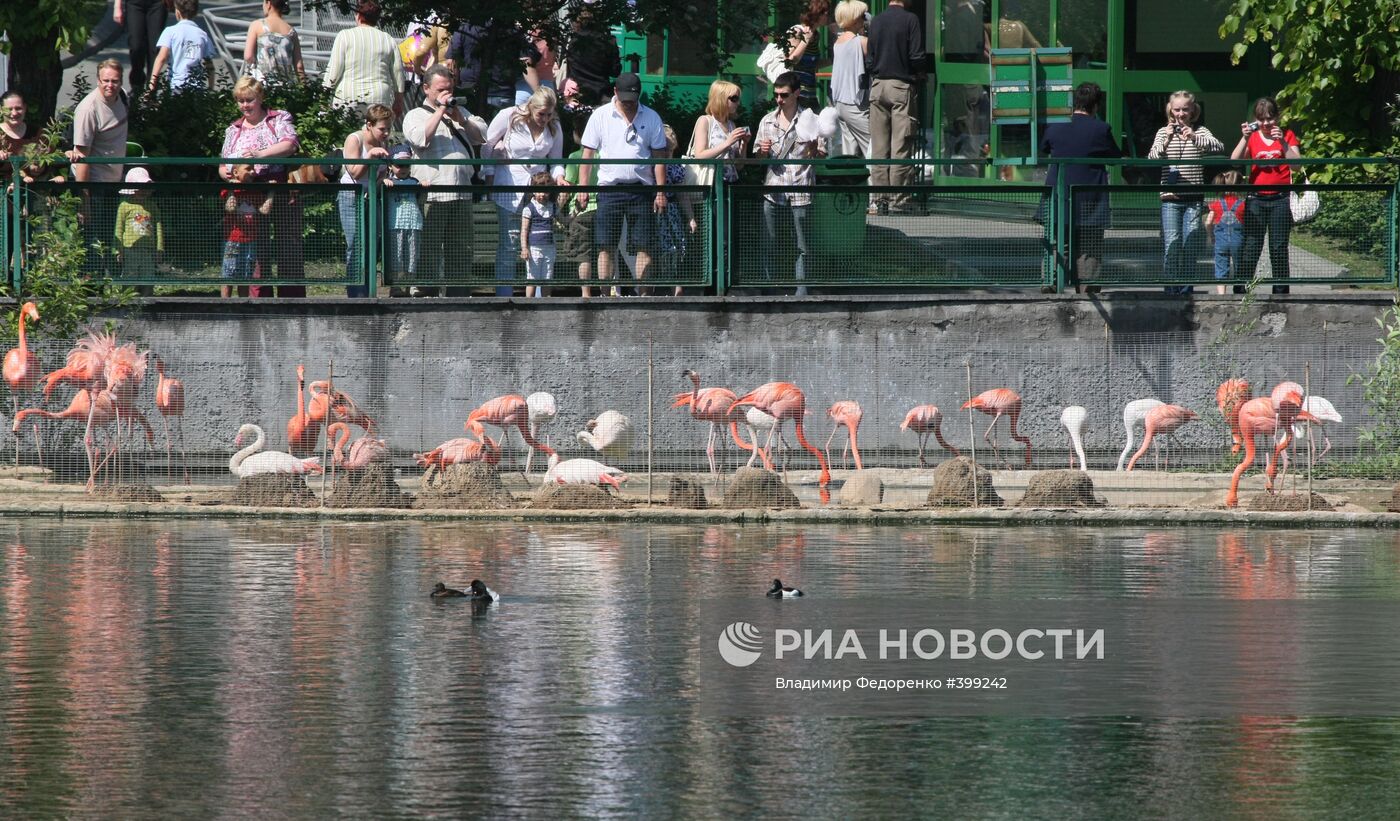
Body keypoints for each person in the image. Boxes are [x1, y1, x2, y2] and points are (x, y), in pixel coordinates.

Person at [575, 72, 668, 295]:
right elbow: (587, 155)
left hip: (641, 189)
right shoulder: (600, 116)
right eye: (624, 98)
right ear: (615, 92)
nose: (628, 103)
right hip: (609, 189)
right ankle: (605, 296)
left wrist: (660, 192)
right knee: (605, 245)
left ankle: (644, 295)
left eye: (632, 99)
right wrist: (583, 188)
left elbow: (659, 158)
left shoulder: (651, 117)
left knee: (644, 245)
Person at [404, 64, 487, 297]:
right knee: (428, 246)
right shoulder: (415, 115)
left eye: (449, 89)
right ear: (426, 88)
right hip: (433, 194)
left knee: (461, 247)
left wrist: (460, 117)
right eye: (441, 90)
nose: (446, 94)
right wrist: (440, 111)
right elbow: (420, 139)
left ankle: (458, 292)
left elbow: (481, 136)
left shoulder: (461, 112)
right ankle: (423, 291)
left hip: (462, 192)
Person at [219, 76, 301, 297]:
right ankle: (259, 299)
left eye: (249, 100)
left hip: (278, 187)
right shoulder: (234, 129)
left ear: (260, 97)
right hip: (248, 194)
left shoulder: (277, 119)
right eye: (241, 100)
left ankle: (291, 300)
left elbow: (290, 144)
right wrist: (228, 175)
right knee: (256, 249)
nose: (245, 105)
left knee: (287, 244)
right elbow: (223, 163)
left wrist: (260, 155)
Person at [1040, 82, 1122, 294]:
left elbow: (1044, 147)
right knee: (1089, 246)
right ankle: (1088, 292)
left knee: (1057, 242)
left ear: (1074, 101)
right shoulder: (1100, 129)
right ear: (1096, 105)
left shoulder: (1055, 125)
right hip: (1090, 197)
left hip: (1058, 195)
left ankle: (1050, 283)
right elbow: (1115, 156)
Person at [485, 86, 566, 297]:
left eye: (549, 114)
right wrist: (489, 175)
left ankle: (539, 296)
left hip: (539, 190)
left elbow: (556, 160)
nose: (545, 119)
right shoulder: (509, 116)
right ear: (531, 107)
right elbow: (488, 146)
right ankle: (505, 296)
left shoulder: (554, 126)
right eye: (541, 114)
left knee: (541, 242)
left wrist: (560, 177)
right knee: (510, 242)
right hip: (509, 186)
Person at [754, 71, 823, 297]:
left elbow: (822, 154)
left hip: (802, 189)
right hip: (773, 190)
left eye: (784, 95)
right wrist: (762, 153)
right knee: (769, 244)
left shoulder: (810, 119)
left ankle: (801, 293)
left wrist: (815, 150)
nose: (779, 100)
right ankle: (769, 291)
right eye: (776, 95)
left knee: (803, 247)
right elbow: (757, 159)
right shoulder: (767, 120)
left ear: (796, 93)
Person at [1147, 90, 1222, 294]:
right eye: (1177, 109)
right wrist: (1167, 140)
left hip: (1193, 198)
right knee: (1172, 243)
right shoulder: (1163, 132)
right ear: (1171, 110)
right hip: (1170, 198)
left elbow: (1218, 146)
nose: (1181, 113)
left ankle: (1187, 289)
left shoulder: (1201, 130)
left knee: (1190, 246)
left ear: (1192, 110)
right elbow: (1152, 158)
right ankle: (1171, 289)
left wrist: (1195, 137)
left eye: (1185, 109)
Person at [1231, 96, 1301, 294]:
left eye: (1270, 119)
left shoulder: (1287, 135)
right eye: (1261, 119)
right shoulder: (1252, 137)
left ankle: (1280, 291)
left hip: (1281, 199)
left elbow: (1296, 166)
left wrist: (1283, 144)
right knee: (1251, 245)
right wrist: (1244, 137)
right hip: (1256, 199)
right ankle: (1241, 288)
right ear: (1256, 119)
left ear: (1277, 117)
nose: (1266, 124)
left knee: (1278, 247)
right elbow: (1235, 161)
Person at [69, 59, 129, 275]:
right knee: (92, 240)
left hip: (113, 181)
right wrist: (84, 201)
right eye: (105, 81)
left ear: (121, 82)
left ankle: (108, 282)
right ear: (98, 80)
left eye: (114, 81)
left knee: (108, 237)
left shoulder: (122, 98)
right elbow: (82, 157)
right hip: (93, 184)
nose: (110, 86)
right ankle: (90, 286)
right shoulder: (88, 109)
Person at [866, 0, 925, 213]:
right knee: (900, 145)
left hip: (878, 86)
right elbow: (917, 56)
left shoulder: (877, 21)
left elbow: (870, 59)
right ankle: (898, 200)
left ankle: (880, 199)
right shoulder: (911, 19)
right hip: (901, 86)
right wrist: (919, 73)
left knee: (880, 147)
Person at [338, 104, 392, 298]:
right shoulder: (355, 139)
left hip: (371, 197)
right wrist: (369, 156)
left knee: (373, 242)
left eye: (388, 128)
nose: (385, 133)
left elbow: (379, 174)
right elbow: (354, 172)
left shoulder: (382, 143)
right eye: (382, 129)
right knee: (355, 243)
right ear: (369, 125)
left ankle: (369, 290)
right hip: (351, 196)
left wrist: (383, 178)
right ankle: (355, 293)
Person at [323, 0, 405, 118]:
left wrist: (324, 95)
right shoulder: (388, 39)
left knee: (346, 132)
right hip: (379, 96)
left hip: (348, 95)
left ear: (359, 16)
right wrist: (399, 100)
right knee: (376, 133)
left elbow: (334, 70)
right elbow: (398, 73)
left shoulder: (345, 35)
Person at [220, 163, 274, 298]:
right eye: (248, 169)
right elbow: (230, 208)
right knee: (228, 275)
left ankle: (242, 306)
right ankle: (224, 306)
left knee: (245, 276)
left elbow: (264, 210)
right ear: (236, 173)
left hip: (250, 241)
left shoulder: (255, 191)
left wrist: (271, 192)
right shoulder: (229, 190)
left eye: (253, 169)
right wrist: (232, 188)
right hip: (232, 240)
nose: (252, 172)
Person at [657, 125, 698, 296]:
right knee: (659, 249)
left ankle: (677, 287)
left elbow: (683, 195)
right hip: (656, 211)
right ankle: (657, 287)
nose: (667, 154)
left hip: (673, 211)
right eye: (664, 150)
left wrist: (690, 218)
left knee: (677, 246)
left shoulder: (677, 168)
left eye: (670, 150)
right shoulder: (652, 167)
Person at [561, 119, 599, 297]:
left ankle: (586, 294)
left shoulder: (575, 157)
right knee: (605, 251)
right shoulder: (603, 155)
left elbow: (567, 186)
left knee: (584, 255)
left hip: (581, 210)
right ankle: (608, 291)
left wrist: (558, 210)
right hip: (602, 207)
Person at [830, 0, 871, 158]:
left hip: (840, 103)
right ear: (854, 19)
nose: (865, 18)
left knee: (849, 152)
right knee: (874, 147)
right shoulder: (861, 42)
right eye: (862, 15)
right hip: (855, 104)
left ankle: (849, 180)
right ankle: (876, 182)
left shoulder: (838, 43)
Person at [687, 80, 749, 183]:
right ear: (721, 99)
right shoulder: (705, 121)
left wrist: (744, 143)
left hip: (730, 184)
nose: (738, 103)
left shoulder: (731, 125)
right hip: (711, 182)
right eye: (734, 99)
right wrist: (727, 143)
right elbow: (700, 156)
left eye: (738, 99)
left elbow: (739, 166)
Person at [149, 0, 216, 93]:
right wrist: (211, 88)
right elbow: (209, 64)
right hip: (197, 87)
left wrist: (152, 84)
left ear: (177, 12)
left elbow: (161, 58)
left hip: (176, 85)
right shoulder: (202, 35)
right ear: (195, 12)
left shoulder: (170, 31)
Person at [114, 167, 162, 295]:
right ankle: (128, 303)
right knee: (130, 276)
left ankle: (147, 302)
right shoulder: (124, 205)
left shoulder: (152, 205)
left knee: (148, 276)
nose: (142, 191)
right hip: (129, 249)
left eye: (145, 187)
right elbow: (118, 228)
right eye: (139, 187)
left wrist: (159, 249)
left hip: (148, 250)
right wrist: (118, 249)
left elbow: (158, 228)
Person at [383, 145, 424, 294]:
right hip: (395, 224)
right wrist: (384, 182)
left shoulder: (414, 182)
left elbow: (422, 200)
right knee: (397, 256)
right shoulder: (388, 182)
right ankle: (396, 285)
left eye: (406, 165)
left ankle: (411, 284)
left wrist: (423, 187)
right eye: (399, 165)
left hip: (414, 224)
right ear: (391, 166)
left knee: (413, 255)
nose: (403, 168)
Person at [564, 8, 622, 107]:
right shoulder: (608, 41)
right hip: (602, 94)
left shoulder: (574, 41)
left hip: (579, 94)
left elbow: (570, 70)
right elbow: (615, 72)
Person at [783, 0, 831, 110]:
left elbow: (812, 64)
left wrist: (833, 60)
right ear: (816, 13)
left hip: (810, 93)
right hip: (795, 94)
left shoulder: (816, 35)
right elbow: (789, 61)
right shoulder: (796, 31)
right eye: (825, 12)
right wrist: (805, 40)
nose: (828, 16)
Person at [1205, 170, 1246, 296]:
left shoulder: (1216, 204)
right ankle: (1239, 292)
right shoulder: (1243, 204)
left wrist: (1211, 235)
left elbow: (1208, 222)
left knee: (1221, 267)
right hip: (1238, 241)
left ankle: (1222, 295)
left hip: (1220, 240)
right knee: (1240, 267)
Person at [113, 0, 168, 94]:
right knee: (136, 45)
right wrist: (117, 6)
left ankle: (152, 89)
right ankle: (137, 85)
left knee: (155, 48)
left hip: (157, 4)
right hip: (135, 4)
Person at [243, 0, 305, 81]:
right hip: (286, 87)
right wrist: (304, 88)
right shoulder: (292, 32)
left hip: (262, 85)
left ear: (268, 3)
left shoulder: (256, 25)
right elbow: (299, 66)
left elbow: (248, 56)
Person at [519, 170, 558, 298]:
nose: (542, 194)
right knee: (532, 278)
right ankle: (528, 305)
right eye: (539, 191)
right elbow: (524, 230)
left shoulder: (552, 207)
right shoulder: (528, 208)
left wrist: (576, 211)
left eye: (545, 191)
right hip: (534, 248)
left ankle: (546, 304)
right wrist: (524, 248)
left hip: (550, 248)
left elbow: (565, 220)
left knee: (547, 277)